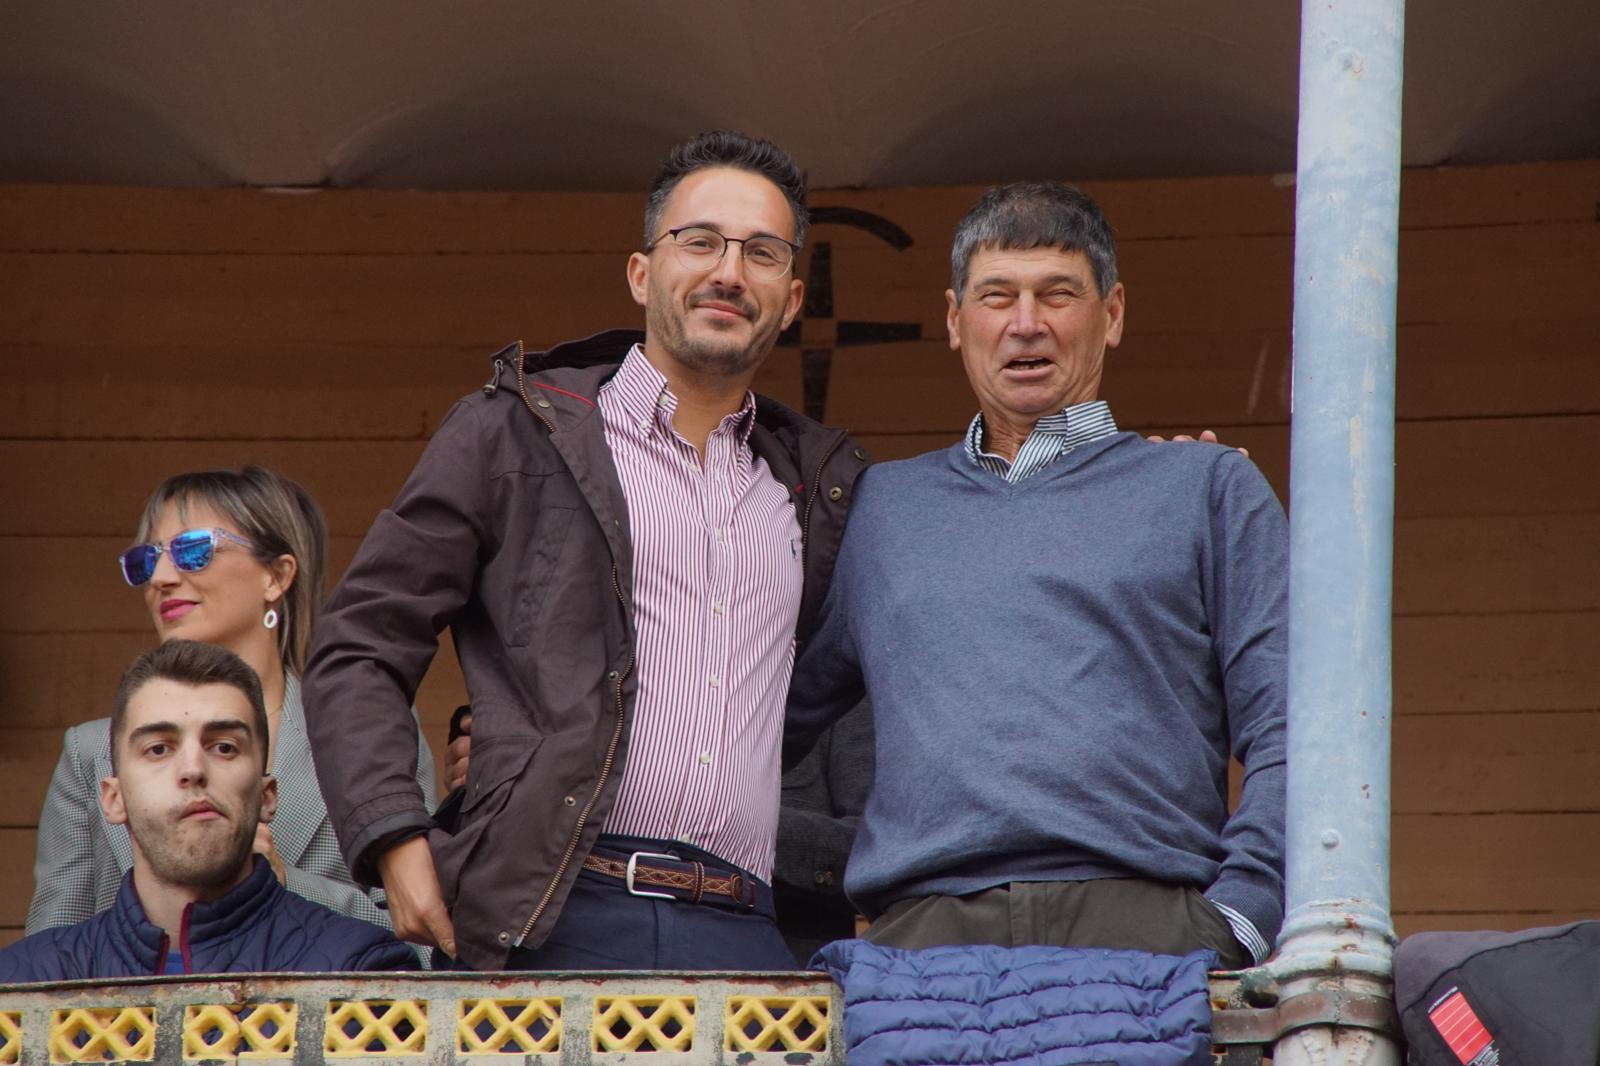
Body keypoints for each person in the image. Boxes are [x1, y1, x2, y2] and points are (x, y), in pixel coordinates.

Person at [303, 131, 871, 971]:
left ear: (789, 300)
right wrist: (391, 835)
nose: (728, 271)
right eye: (700, 241)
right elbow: (360, 643)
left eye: (761, 252)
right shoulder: (516, 434)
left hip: (752, 930)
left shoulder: (818, 492)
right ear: (643, 273)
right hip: (553, 915)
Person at [786, 181, 1288, 970]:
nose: (1027, 323)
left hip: (1148, 926)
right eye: (997, 296)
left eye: (1058, 293)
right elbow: (758, 721)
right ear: (957, 321)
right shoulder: (881, 508)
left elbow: (1293, 725)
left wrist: (1243, 915)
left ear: (1112, 313)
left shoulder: (1206, 487)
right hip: (925, 941)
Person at [26, 466, 437, 937]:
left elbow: (422, 948)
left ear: (276, 577)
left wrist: (284, 884)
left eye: (193, 550)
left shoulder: (368, 735)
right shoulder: (91, 753)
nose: (159, 578)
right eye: (146, 560)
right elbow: (48, 970)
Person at [0, 641, 418, 980]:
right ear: (113, 798)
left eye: (223, 747)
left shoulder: (363, 970)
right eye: (159, 748)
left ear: (267, 795)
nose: (193, 769)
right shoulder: (21, 984)